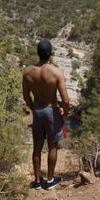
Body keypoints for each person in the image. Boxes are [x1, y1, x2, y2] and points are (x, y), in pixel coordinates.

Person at [22, 38, 70, 190]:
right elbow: (66, 100)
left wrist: (34, 109)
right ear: (51, 54)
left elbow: (26, 96)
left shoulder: (28, 72)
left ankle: (36, 181)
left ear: (38, 53)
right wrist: (64, 114)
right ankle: (49, 180)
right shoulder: (56, 72)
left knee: (36, 147)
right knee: (53, 147)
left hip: (37, 111)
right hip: (52, 111)